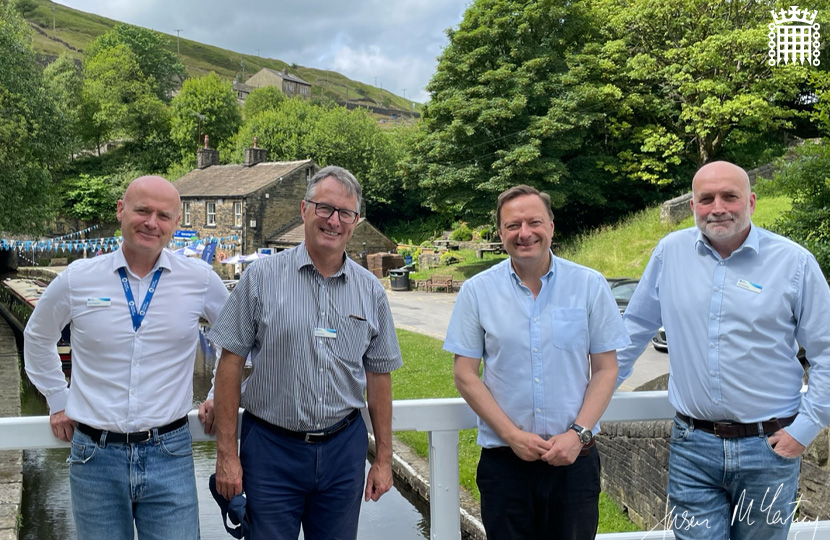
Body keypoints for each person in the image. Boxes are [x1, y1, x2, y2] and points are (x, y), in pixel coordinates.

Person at [617, 161, 830, 539]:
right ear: (693, 205)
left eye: (729, 196)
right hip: (692, 448)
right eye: (706, 199)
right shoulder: (670, 253)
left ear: (750, 201)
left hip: (769, 449)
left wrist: (807, 428)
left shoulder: (794, 263)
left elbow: (827, 351)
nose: (718, 207)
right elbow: (633, 331)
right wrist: (586, 401)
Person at [23, 175, 229, 540]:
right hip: (93, 457)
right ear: (121, 211)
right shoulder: (78, 279)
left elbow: (238, 342)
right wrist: (57, 398)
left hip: (170, 451)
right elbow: (38, 337)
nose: (152, 222)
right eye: (142, 210)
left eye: (164, 215)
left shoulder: (199, 279)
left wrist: (216, 394)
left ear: (176, 224)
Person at [209, 165, 403, 540]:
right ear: (303, 209)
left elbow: (380, 377)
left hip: (343, 450)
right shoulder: (261, 277)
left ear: (356, 221)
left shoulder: (371, 291)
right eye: (325, 208)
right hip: (270, 450)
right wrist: (227, 454)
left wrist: (383, 459)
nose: (334, 221)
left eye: (345, 213)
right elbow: (229, 363)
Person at [443, 185, 630, 539]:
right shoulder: (477, 291)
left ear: (551, 227)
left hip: (575, 462)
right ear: (500, 233)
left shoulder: (589, 285)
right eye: (513, 225)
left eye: (534, 222)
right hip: (505, 465)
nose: (524, 233)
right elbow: (465, 374)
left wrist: (578, 435)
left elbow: (607, 369)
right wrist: (512, 436)